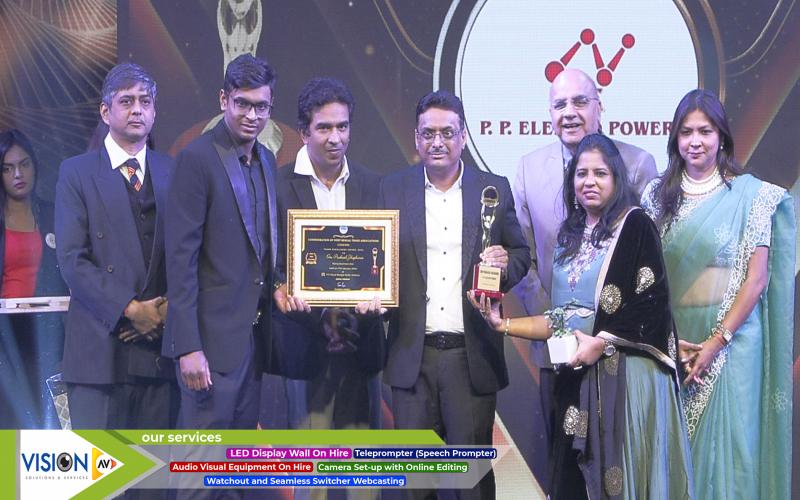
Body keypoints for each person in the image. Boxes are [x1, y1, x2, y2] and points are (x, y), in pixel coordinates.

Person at [472, 133, 693, 500]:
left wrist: (602, 342)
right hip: (573, 379)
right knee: (572, 483)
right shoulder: (568, 238)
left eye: (600, 173)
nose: (590, 181)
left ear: (617, 179)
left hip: (621, 380)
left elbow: (651, 304)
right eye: (581, 173)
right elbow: (559, 320)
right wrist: (503, 324)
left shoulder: (635, 225)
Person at [641, 89, 794, 500]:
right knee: (674, 458)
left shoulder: (753, 196)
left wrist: (716, 342)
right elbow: (647, 278)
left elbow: (756, 280)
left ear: (721, 136)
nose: (695, 141)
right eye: (686, 132)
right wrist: (668, 340)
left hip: (734, 345)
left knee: (734, 454)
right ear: (675, 138)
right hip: (673, 346)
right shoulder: (656, 196)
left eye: (705, 131)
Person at [509, 68, 657, 490]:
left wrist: (602, 330)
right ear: (549, 113)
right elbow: (524, 257)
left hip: (619, 350)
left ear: (599, 106)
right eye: (560, 104)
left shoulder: (637, 164)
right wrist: (559, 323)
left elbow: (648, 259)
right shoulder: (528, 168)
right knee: (565, 462)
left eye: (580, 101)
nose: (569, 112)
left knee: (618, 465)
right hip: (555, 346)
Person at [376, 90, 529, 499]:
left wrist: (504, 266)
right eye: (428, 133)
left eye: (447, 132)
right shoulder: (392, 189)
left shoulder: (493, 189)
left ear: (463, 136)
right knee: (415, 484)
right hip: (412, 356)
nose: (437, 142)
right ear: (416, 138)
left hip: (470, 356)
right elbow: (375, 257)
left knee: (471, 483)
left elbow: (521, 254)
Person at [270, 76, 384, 500]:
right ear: (304, 132)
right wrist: (284, 288)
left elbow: (385, 266)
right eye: (324, 127)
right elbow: (268, 263)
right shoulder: (276, 186)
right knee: (310, 482)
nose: (335, 138)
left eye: (342, 126)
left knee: (365, 483)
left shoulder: (373, 185)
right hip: (305, 347)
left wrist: (374, 307)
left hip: (361, 344)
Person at [55, 63, 174, 429]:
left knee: (153, 467)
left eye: (145, 101)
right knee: (100, 467)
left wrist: (164, 311)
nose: (137, 109)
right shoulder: (76, 172)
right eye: (126, 101)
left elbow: (191, 255)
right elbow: (72, 260)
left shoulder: (174, 171)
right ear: (106, 112)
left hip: (159, 352)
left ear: (154, 111)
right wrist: (131, 309)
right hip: (99, 354)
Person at [163, 53, 279, 431]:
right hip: (208, 347)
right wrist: (188, 346)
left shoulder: (266, 160)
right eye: (242, 103)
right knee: (204, 462)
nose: (252, 115)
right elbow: (180, 260)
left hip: (253, 342)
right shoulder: (196, 158)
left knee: (239, 462)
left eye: (261, 106)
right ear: (223, 99)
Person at [0, 129, 68, 428]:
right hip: (6, 334)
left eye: (24, 164)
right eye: (7, 168)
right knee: (12, 420)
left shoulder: (54, 215)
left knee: (58, 419)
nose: (18, 174)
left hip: (52, 329)